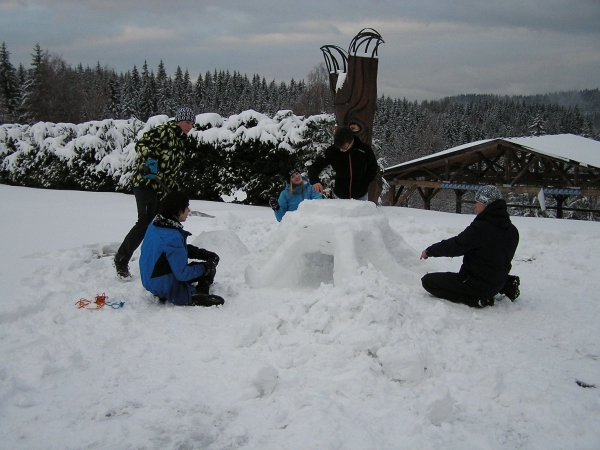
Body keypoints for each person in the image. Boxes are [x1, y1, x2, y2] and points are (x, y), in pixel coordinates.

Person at [113, 107, 196, 280]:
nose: (190, 126)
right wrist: (150, 160)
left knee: (161, 222)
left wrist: (174, 191)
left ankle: (160, 260)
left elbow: (171, 169)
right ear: (178, 120)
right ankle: (121, 259)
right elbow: (142, 143)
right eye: (187, 122)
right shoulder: (164, 131)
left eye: (192, 124)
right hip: (145, 183)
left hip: (161, 188)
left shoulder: (181, 142)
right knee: (145, 221)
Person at [420, 185, 521, 308]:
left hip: (476, 284)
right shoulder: (512, 231)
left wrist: (430, 251)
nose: (475, 206)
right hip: (498, 282)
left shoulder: (481, 229)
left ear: (486, 204)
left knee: (428, 282)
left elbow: (456, 245)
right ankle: (507, 285)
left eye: (477, 202)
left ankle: (476, 300)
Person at [139, 190, 224, 307]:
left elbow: (170, 252)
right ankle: (196, 295)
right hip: (165, 286)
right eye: (186, 207)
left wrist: (200, 253)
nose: (189, 210)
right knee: (210, 274)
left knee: (199, 268)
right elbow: (182, 274)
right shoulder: (173, 237)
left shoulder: (155, 225)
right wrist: (206, 267)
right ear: (177, 210)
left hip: (150, 280)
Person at [308, 126, 378, 201]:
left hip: (360, 195)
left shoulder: (364, 150)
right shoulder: (332, 151)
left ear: (351, 141)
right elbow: (314, 167)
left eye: (344, 147)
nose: (341, 150)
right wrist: (315, 181)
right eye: (339, 147)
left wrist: (364, 183)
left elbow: (373, 168)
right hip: (340, 196)